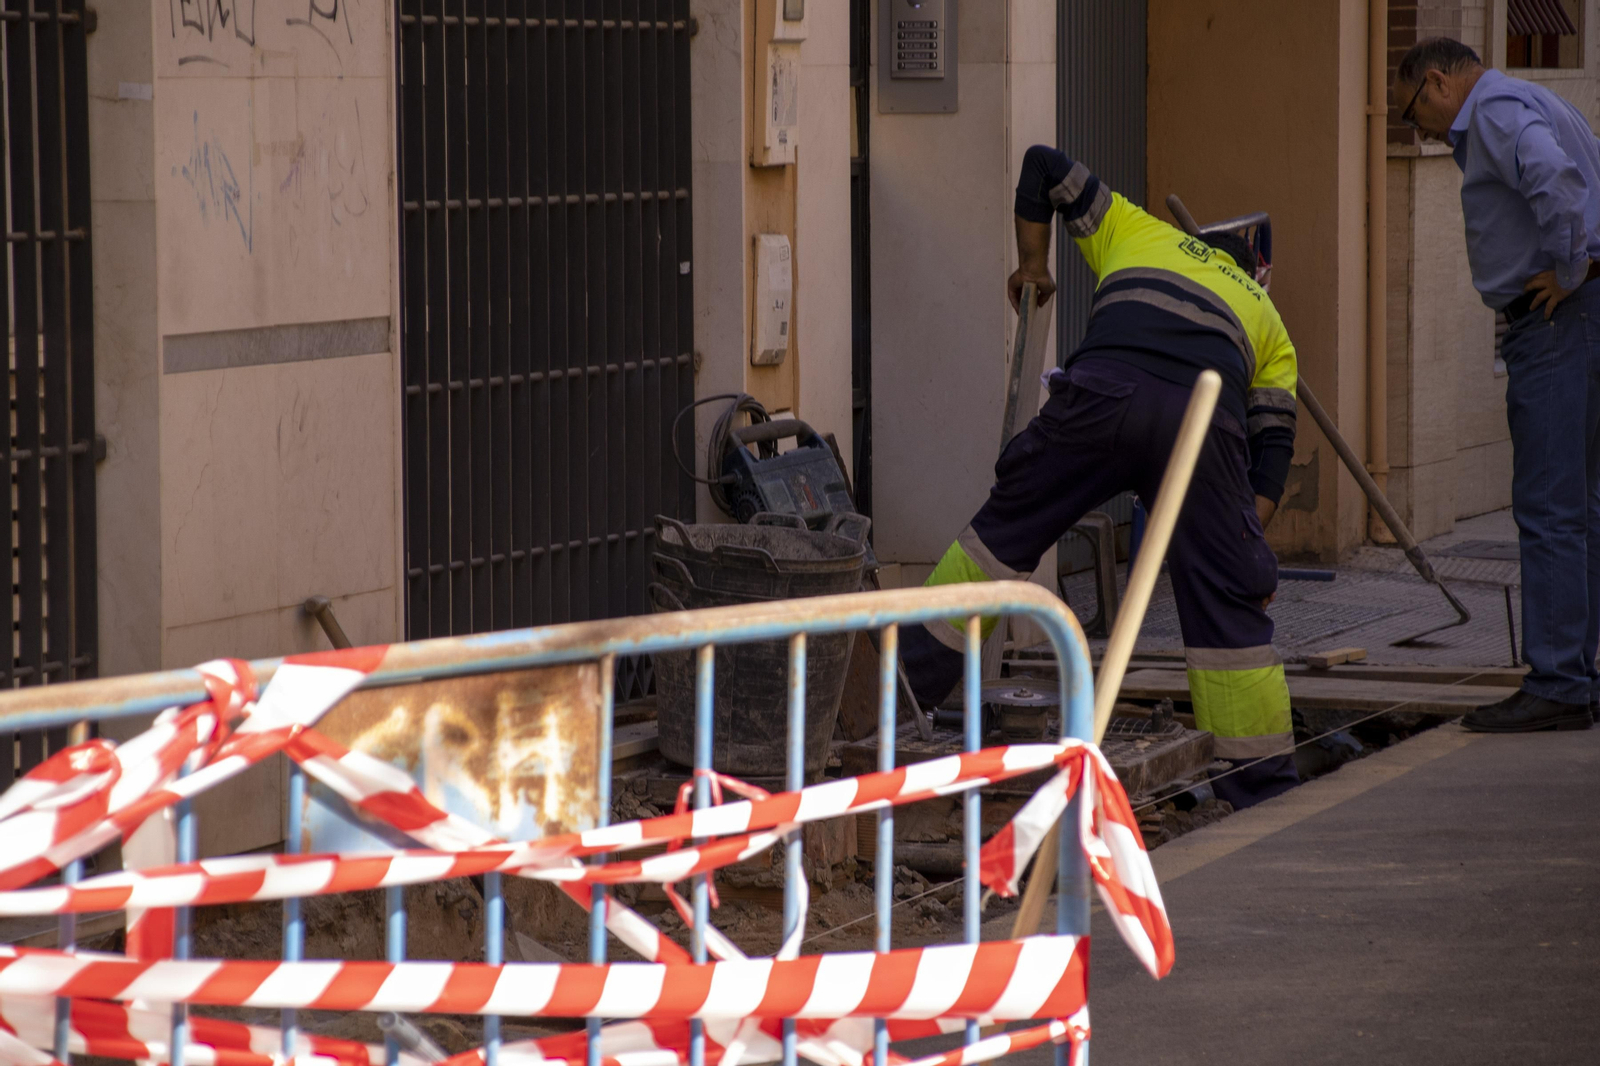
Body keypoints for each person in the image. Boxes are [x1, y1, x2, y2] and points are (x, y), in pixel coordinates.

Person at [899, 144, 1302, 809]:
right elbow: (1271, 467)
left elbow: (1041, 165)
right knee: (1229, 603)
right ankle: (1261, 789)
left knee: (996, 544)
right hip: (1200, 421)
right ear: (1252, 276)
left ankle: (894, 702)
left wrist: (1034, 266)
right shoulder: (1269, 324)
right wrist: (1236, 547)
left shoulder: (1138, 229)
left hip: (1099, 397)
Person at [1393, 39, 1600, 733]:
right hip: (1579, 317)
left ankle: (1561, 682)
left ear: (1435, 82)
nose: (1417, 130)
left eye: (1411, 113)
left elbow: (1561, 184)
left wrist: (1571, 269)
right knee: (1578, 504)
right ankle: (1575, 672)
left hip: (1557, 321)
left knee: (1549, 507)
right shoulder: (1528, 99)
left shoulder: (1495, 113)